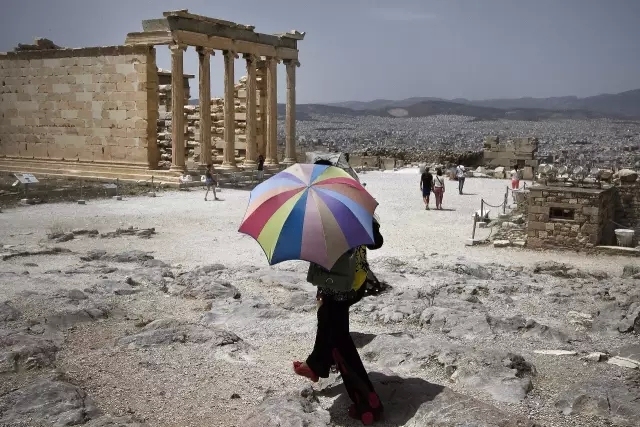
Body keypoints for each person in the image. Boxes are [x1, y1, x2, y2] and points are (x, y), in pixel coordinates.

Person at [294, 158, 384, 425]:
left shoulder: (317, 206)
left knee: (341, 343)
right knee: (328, 325)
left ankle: (368, 401)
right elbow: (377, 241)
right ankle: (317, 365)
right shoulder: (350, 200)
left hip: (338, 287)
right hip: (351, 283)